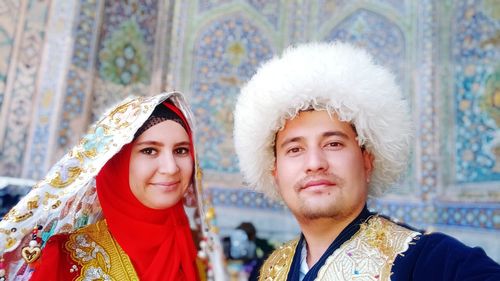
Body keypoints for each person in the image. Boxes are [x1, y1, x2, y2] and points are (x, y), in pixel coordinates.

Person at [233, 42, 500, 280]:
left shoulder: (433, 262)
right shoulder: (269, 271)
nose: (315, 163)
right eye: (294, 149)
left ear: (367, 160)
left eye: (333, 144)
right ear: (275, 171)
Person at [0, 92, 224, 280]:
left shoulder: (202, 255)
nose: (171, 167)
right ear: (117, 163)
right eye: (149, 150)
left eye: (181, 150)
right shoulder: (67, 258)